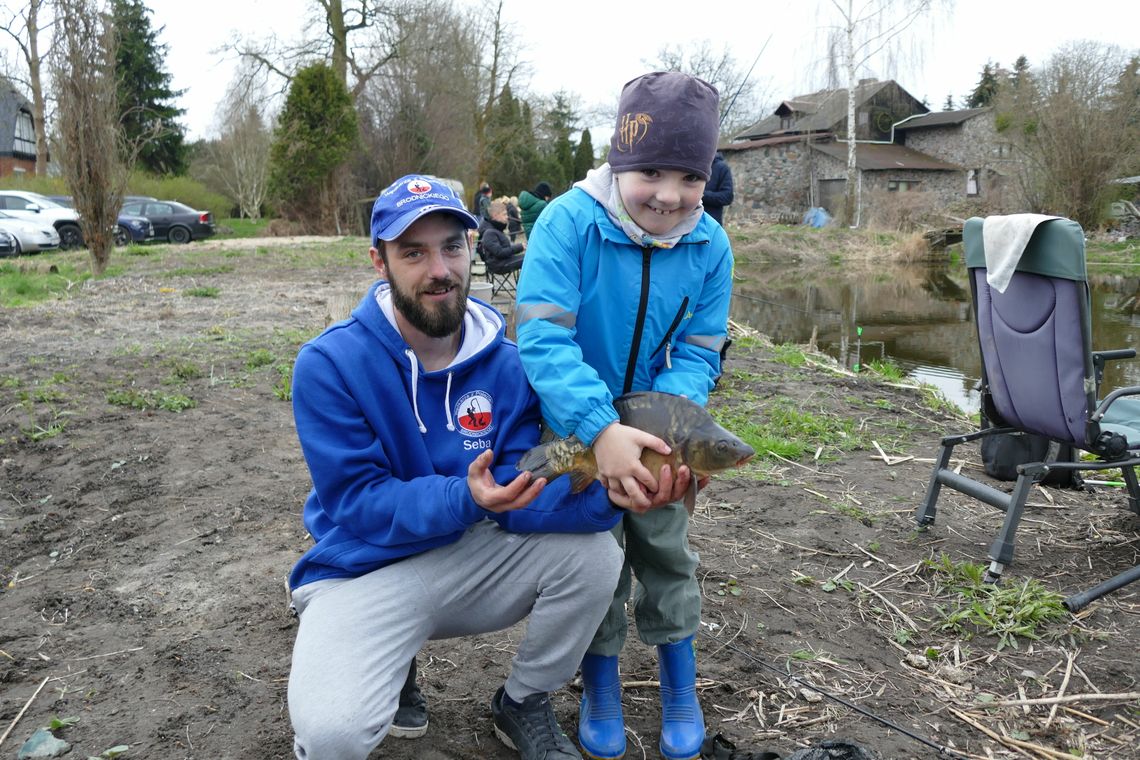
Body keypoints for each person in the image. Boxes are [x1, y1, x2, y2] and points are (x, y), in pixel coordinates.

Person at [286, 174, 627, 760]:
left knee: (597, 557)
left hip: (469, 555)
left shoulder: (512, 364)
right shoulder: (328, 364)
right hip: (366, 568)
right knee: (332, 738)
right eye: (412, 252)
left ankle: (523, 700)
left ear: (471, 249)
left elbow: (530, 483)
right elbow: (358, 502)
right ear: (379, 262)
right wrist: (464, 498)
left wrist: (609, 493)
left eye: (451, 246)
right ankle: (390, 666)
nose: (438, 269)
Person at [515, 72, 734, 760]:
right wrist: (598, 429)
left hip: (656, 431)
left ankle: (679, 687)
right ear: (618, 160)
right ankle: (601, 684)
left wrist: (676, 422)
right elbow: (543, 338)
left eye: (689, 178)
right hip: (575, 425)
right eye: (650, 172)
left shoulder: (711, 247)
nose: (669, 195)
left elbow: (700, 351)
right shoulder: (568, 223)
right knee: (597, 561)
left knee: (667, 553)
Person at [478, 199, 526, 273]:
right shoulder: (489, 232)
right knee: (529, 259)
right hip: (498, 265)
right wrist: (520, 247)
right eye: (504, 214)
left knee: (530, 258)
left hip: (503, 261)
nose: (507, 217)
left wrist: (520, 246)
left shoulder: (495, 229)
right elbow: (500, 253)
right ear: (495, 216)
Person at [701, 151, 734, 226]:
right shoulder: (692, 165)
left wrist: (702, 195)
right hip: (687, 224)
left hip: (711, 224)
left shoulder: (722, 168)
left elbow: (727, 197)